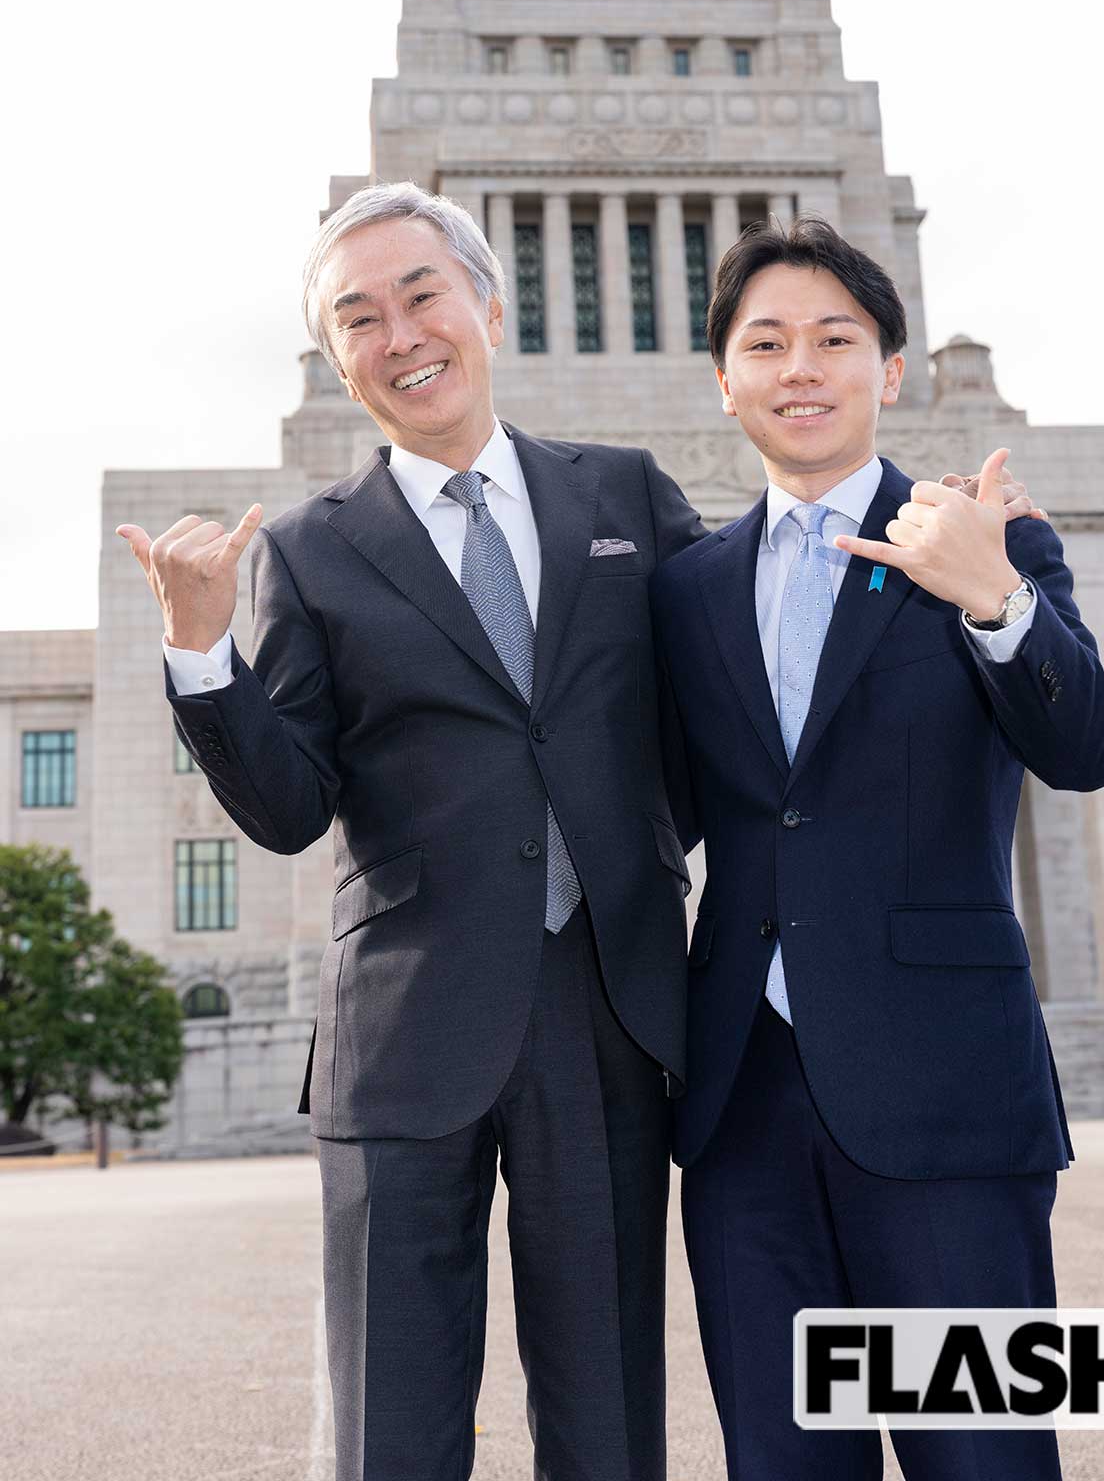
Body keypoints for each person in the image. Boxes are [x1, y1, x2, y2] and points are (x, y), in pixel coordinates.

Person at [117, 182, 706, 1481]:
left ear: (486, 303)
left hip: (608, 1016)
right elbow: (282, 806)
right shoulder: (315, 553)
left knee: (606, 1424)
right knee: (396, 1427)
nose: (400, 334)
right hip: (406, 1030)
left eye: (421, 294)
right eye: (358, 318)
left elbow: (728, 715)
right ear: (336, 362)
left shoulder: (629, 497)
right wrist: (200, 649)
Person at [649, 217, 1104, 1481]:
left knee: (983, 1458)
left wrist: (996, 599)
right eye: (767, 343)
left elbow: (1088, 750)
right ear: (726, 380)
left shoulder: (987, 537)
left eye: (834, 339)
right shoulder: (691, 587)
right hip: (744, 1106)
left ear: (891, 371)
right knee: (784, 1461)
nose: (801, 366)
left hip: (946, 1105)